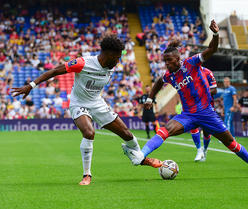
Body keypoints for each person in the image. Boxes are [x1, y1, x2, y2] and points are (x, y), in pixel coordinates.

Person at [122, 20, 248, 178]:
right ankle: (140, 155)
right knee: (165, 130)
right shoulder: (169, 75)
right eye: (164, 61)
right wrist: (150, 98)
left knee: (231, 144)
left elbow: (212, 48)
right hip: (188, 115)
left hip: (207, 113)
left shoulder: (191, 63)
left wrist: (215, 34)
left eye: (169, 61)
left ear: (178, 59)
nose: (166, 64)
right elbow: (159, 81)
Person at [11, 36, 161, 186]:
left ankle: (140, 158)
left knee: (128, 135)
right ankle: (87, 175)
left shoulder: (111, 66)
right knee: (89, 133)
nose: (118, 61)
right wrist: (30, 85)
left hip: (97, 103)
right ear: (109, 55)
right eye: (117, 57)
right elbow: (55, 71)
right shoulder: (83, 63)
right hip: (79, 103)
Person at [191, 67, 217, 162]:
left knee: (206, 131)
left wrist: (201, 92)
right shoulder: (188, 73)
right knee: (193, 126)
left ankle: (205, 150)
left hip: (207, 106)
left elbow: (214, 91)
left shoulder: (208, 72)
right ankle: (199, 150)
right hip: (193, 105)